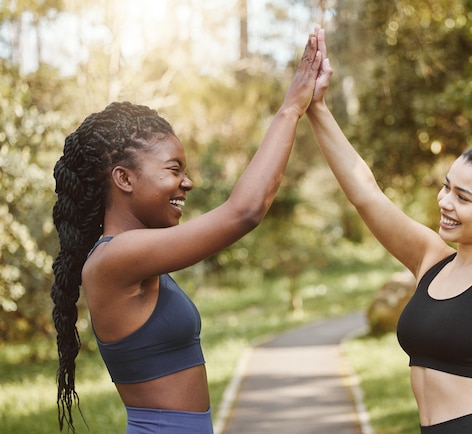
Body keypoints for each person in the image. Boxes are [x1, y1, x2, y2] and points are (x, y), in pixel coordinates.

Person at [50, 29, 323, 433]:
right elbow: (244, 212)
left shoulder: (135, 255)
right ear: (123, 178)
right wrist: (289, 110)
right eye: (174, 169)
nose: (188, 182)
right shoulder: (114, 258)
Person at [306, 30, 472, 433]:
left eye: (463, 197)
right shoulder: (431, 258)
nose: (445, 202)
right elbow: (366, 194)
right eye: (446, 187)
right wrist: (316, 108)